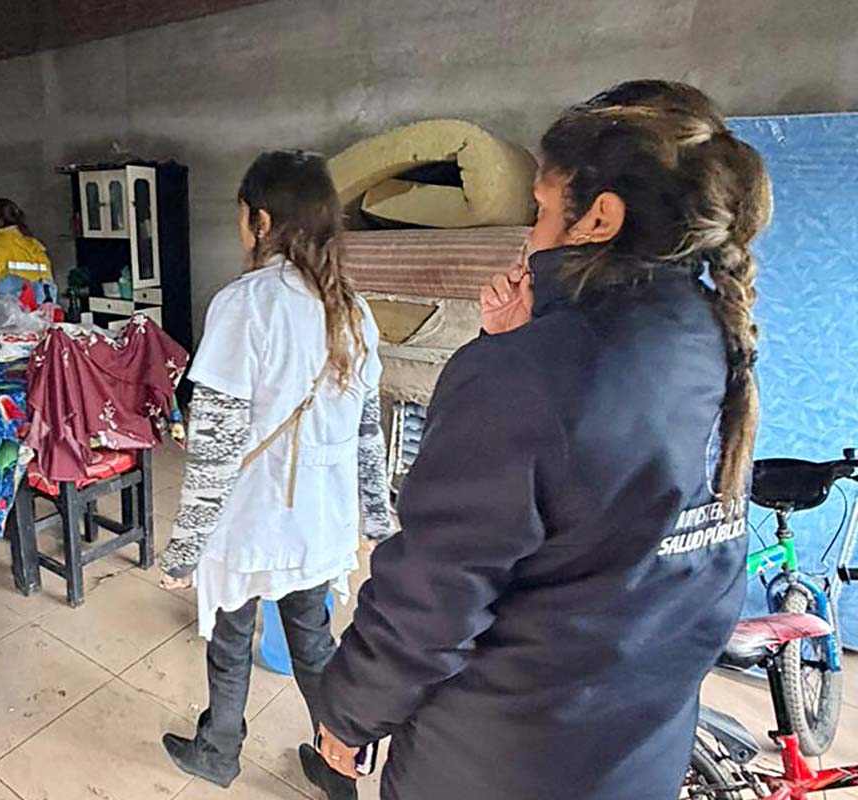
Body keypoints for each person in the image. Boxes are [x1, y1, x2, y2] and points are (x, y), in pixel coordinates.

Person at [314, 85, 771, 799]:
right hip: (638, 751)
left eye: (540, 209)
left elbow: (434, 594)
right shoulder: (716, 339)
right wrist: (518, 340)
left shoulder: (529, 374)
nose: (528, 234)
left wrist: (348, 713)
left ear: (600, 216)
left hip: (499, 760)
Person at [156, 150, 393, 798]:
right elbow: (367, 433)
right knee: (314, 644)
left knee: (231, 639)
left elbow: (216, 446)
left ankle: (218, 752)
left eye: (242, 217)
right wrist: (376, 520)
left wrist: (184, 550)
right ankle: (338, 772)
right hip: (318, 525)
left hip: (251, 522)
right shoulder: (355, 311)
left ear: (261, 220)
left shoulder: (245, 304)